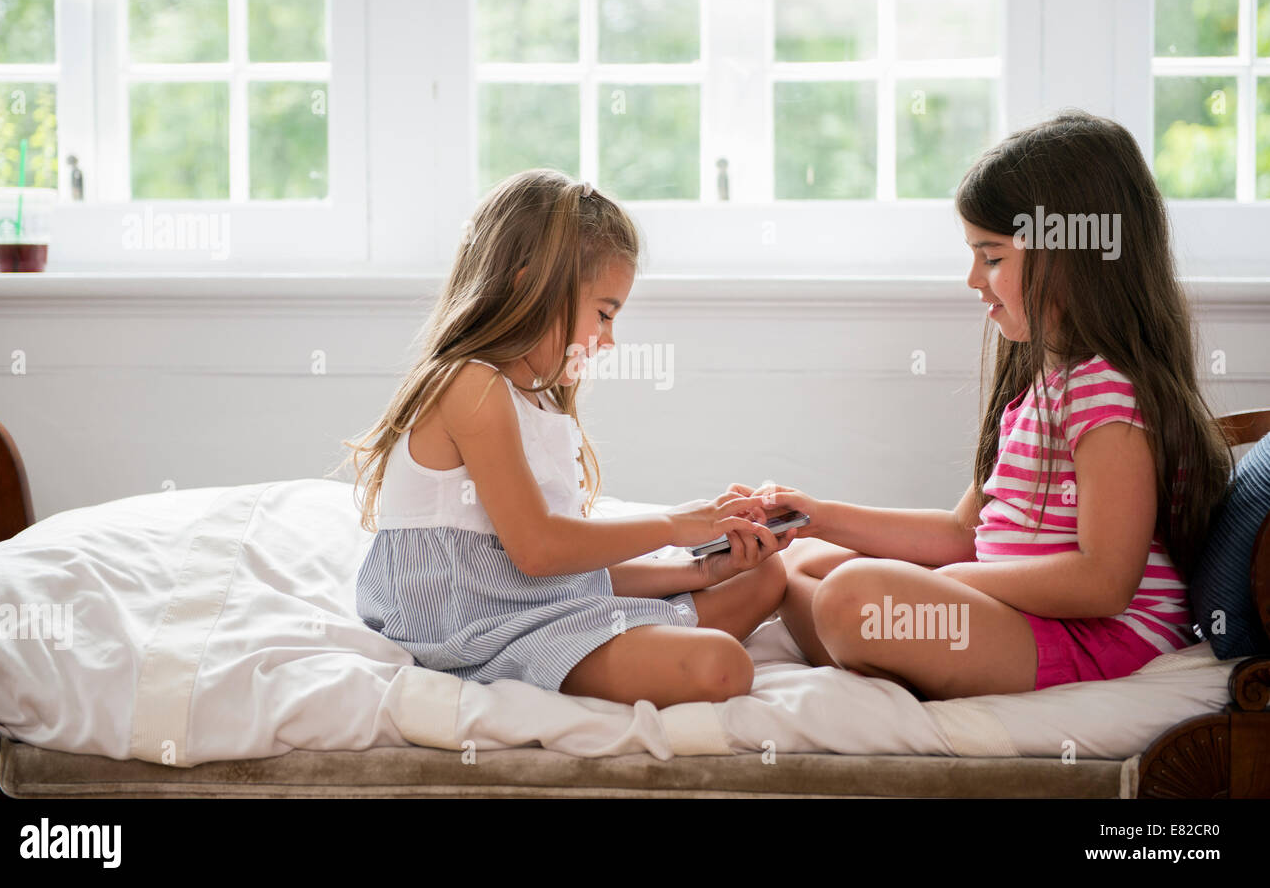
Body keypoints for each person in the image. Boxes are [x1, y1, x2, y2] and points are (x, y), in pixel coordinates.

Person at [770, 110, 1232, 700]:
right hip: (1023, 619)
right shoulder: (1042, 387)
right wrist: (815, 515)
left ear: (1071, 257)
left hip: (1096, 637)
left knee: (852, 595)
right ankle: (891, 657)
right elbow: (963, 531)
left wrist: (962, 582)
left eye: (990, 257)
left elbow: (1106, 582)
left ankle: (891, 657)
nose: (972, 279)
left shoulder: (1107, 394)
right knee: (801, 564)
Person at [343, 169, 797, 708]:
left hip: (539, 603)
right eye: (604, 314)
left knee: (766, 577)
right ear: (529, 284)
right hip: (478, 626)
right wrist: (678, 524)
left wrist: (703, 566)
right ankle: (641, 650)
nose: (609, 340)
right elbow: (539, 550)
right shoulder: (470, 385)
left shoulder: (533, 398)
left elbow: (566, 570)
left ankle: (662, 627)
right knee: (722, 667)